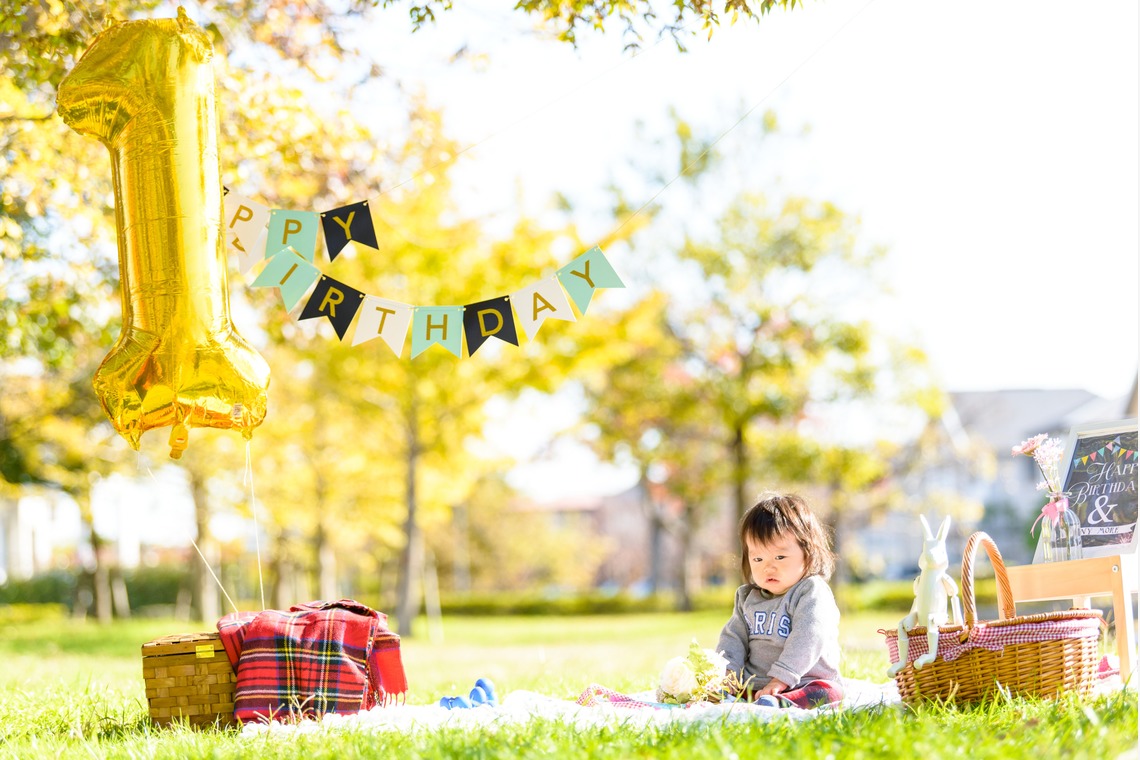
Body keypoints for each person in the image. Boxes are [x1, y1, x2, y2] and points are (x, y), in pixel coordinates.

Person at [716, 492, 844, 709]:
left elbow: (809, 636)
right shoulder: (747, 597)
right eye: (758, 558)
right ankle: (758, 701)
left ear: (808, 552)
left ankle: (781, 702)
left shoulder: (811, 591)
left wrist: (782, 679)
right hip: (755, 684)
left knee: (830, 692)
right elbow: (733, 638)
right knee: (724, 692)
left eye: (780, 557)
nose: (768, 566)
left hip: (803, 681)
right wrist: (728, 675)